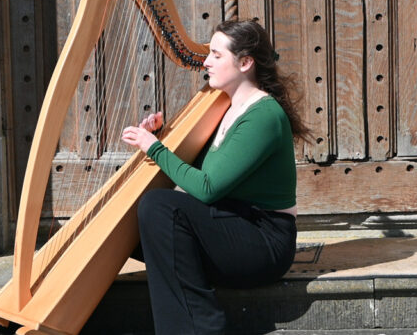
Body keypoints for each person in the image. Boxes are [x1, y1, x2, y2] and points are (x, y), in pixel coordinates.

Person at [121, 19, 311, 335]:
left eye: (216, 55)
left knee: (160, 207)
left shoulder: (264, 115)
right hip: (231, 224)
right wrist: (162, 136)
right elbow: (206, 170)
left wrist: (155, 149)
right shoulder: (223, 107)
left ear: (245, 62)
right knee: (130, 225)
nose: (206, 62)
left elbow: (207, 188)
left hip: (263, 241)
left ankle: (199, 328)